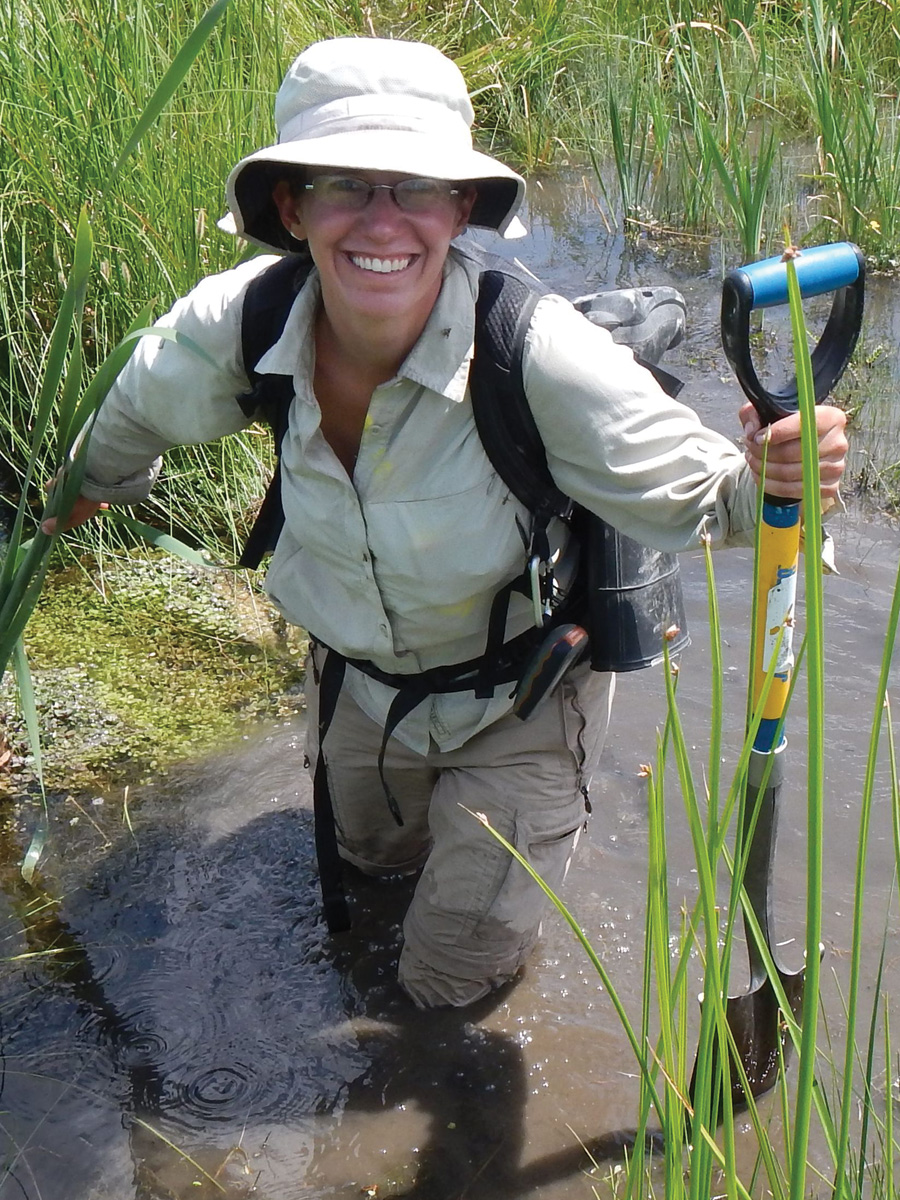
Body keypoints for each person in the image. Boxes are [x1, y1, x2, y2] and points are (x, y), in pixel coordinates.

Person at [48, 37, 848, 1008]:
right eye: (346, 184)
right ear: (293, 207)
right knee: (368, 874)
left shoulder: (540, 354)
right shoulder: (241, 324)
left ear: (461, 208)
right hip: (355, 689)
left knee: (444, 984)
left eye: (417, 187)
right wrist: (87, 485)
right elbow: (129, 411)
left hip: (521, 701)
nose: (382, 221)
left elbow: (718, 506)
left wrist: (783, 472)